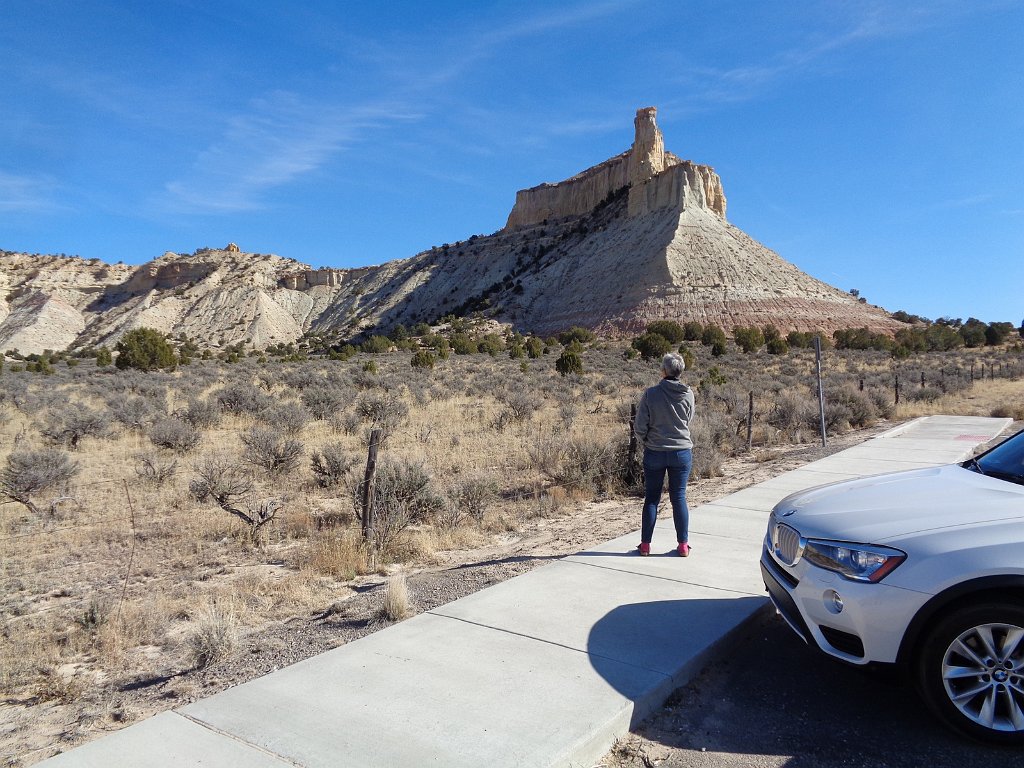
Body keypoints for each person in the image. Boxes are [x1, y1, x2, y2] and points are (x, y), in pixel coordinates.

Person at [633, 351, 695, 557]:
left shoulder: (651, 394)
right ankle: (683, 545)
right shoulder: (688, 393)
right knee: (679, 498)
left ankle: (645, 545)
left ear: (663, 371)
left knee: (651, 499)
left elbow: (640, 425)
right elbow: (688, 418)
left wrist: (647, 441)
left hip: (655, 452)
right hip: (681, 452)